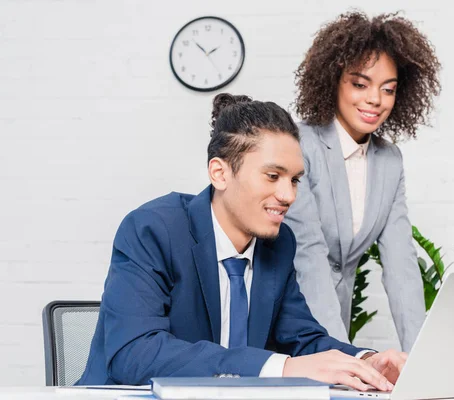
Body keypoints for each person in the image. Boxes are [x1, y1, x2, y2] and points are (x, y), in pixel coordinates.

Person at [77, 94, 407, 389]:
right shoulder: (153, 230)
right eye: (273, 176)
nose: (288, 195)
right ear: (220, 173)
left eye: (294, 180)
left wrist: (364, 361)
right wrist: (283, 368)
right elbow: (135, 353)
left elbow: (301, 339)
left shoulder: (278, 244)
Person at [285, 11, 441, 350]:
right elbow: (308, 253)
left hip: (335, 327)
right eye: (360, 84)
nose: (375, 100)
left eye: (388, 89)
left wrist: (420, 358)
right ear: (333, 80)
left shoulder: (389, 161)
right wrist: (346, 356)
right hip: (284, 323)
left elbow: (401, 263)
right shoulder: (298, 144)